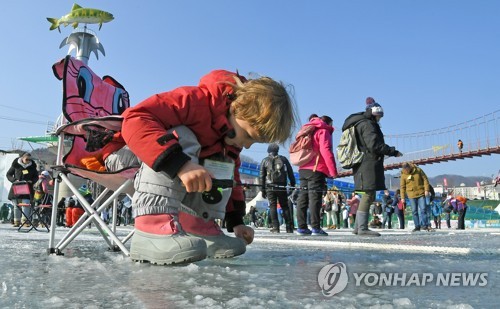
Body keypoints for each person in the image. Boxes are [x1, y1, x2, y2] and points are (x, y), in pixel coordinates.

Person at [121, 69, 298, 265]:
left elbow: (234, 180)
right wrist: (180, 164)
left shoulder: (228, 140)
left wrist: (236, 221)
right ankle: (152, 226)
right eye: (248, 136)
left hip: (165, 171)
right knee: (183, 135)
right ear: (237, 109)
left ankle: (199, 225)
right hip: (129, 155)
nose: (247, 145)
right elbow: (135, 118)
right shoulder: (195, 101)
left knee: (224, 162)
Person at [341, 97, 403, 236]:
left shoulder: (361, 123)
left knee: (368, 194)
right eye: (378, 116)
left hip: (365, 163)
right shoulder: (368, 125)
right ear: (372, 113)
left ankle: (358, 228)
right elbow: (374, 145)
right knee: (369, 194)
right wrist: (392, 151)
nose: (379, 119)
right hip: (367, 164)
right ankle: (362, 228)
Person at [295, 115, 338, 236]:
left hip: (302, 168)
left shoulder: (308, 129)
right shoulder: (323, 131)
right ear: (328, 123)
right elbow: (326, 151)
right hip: (316, 169)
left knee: (303, 198)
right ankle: (315, 227)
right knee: (315, 199)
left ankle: (302, 228)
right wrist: (332, 171)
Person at [260, 143, 296, 233]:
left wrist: (262, 189)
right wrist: (292, 184)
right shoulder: (283, 159)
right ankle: (289, 227)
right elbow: (290, 172)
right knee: (285, 206)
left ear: (268, 151)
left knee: (272, 206)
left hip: (270, 186)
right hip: (281, 185)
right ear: (277, 150)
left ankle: (276, 227)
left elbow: (262, 176)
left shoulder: (265, 160)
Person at [6, 152, 39, 227]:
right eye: (27, 159)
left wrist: (32, 181)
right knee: (17, 205)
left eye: (29, 159)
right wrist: (14, 180)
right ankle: (16, 221)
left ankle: (25, 221)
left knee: (26, 204)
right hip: (16, 187)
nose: (28, 161)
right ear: (22, 158)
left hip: (27, 188)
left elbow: (36, 176)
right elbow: (8, 174)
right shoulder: (16, 165)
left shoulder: (32, 167)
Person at [400, 162, 434, 232]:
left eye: (407, 169)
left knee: (423, 209)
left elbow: (425, 180)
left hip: (421, 193)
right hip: (411, 195)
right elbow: (402, 187)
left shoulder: (418, 170)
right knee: (414, 211)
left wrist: (426, 190)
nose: (406, 171)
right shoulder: (403, 175)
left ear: (409, 167)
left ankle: (425, 225)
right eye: (405, 170)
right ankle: (417, 226)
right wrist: (402, 198)